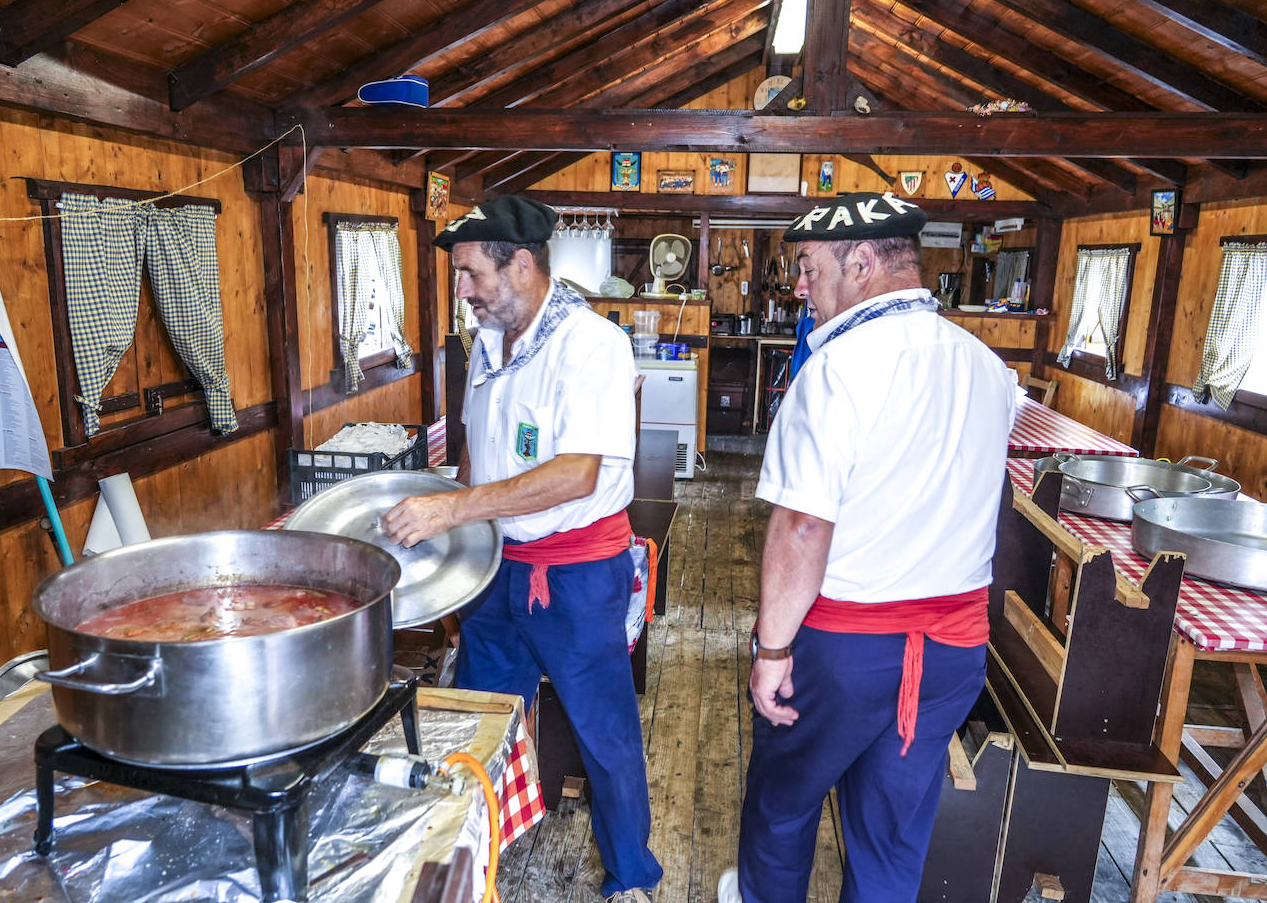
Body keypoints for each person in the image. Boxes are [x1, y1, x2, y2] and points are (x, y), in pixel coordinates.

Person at [719, 192, 1017, 903]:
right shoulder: (989, 368)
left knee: (783, 804)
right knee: (890, 832)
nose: (798, 286)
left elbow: (802, 527)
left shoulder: (835, 369)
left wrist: (771, 652)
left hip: (847, 647)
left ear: (861, 262)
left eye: (808, 269)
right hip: (950, 652)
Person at [381, 195, 663, 903]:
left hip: (574, 575)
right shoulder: (484, 342)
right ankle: (476, 866)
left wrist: (454, 506)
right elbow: (480, 451)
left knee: (605, 735)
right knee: (480, 723)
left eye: (472, 274)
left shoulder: (592, 345)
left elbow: (579, 472)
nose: (462, 291)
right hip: (494, 570)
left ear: (524, 264)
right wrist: (451, 534)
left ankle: (633, 875)